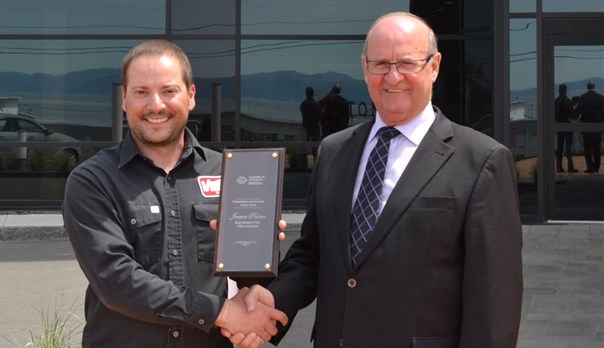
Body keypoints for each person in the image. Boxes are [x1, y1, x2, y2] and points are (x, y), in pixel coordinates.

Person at [236, 12, 523, 348]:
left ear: (434, 66)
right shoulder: (333, 150)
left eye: (406, 63)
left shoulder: (482, 161)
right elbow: (314, 253)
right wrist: (273, 301)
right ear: (364, 67)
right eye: (381, 64)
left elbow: (494, 301)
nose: (393, 76)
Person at [62, 40, 286, 348]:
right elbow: (116, 279)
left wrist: (260, 254)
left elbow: (247, 275)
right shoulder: (93, 180)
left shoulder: (230, 173)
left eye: (169, 91)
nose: (156, 105)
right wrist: (220, 313)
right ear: (124, 98)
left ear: (191, 96)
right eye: (141, 92)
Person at [576, 80, 604, 173]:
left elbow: (578, 112)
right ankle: (596, 167)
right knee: (597, 148)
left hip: (586, 126)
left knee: (587, 148)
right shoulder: (600, 97)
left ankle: (590, 167)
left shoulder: (583, 97)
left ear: (587, 87)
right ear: (594, 86)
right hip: (597, 126)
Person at [554, 83, 578, 173]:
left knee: (559, 147)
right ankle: (570, 167)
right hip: (567, 125)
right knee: (568, 147)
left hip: (559, 125)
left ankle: (559, 167)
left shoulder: (556, 101)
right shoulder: (567, 101)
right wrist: (575, 107)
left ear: (559, 90)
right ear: (566, 90)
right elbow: (573, 115)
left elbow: (555, 115)